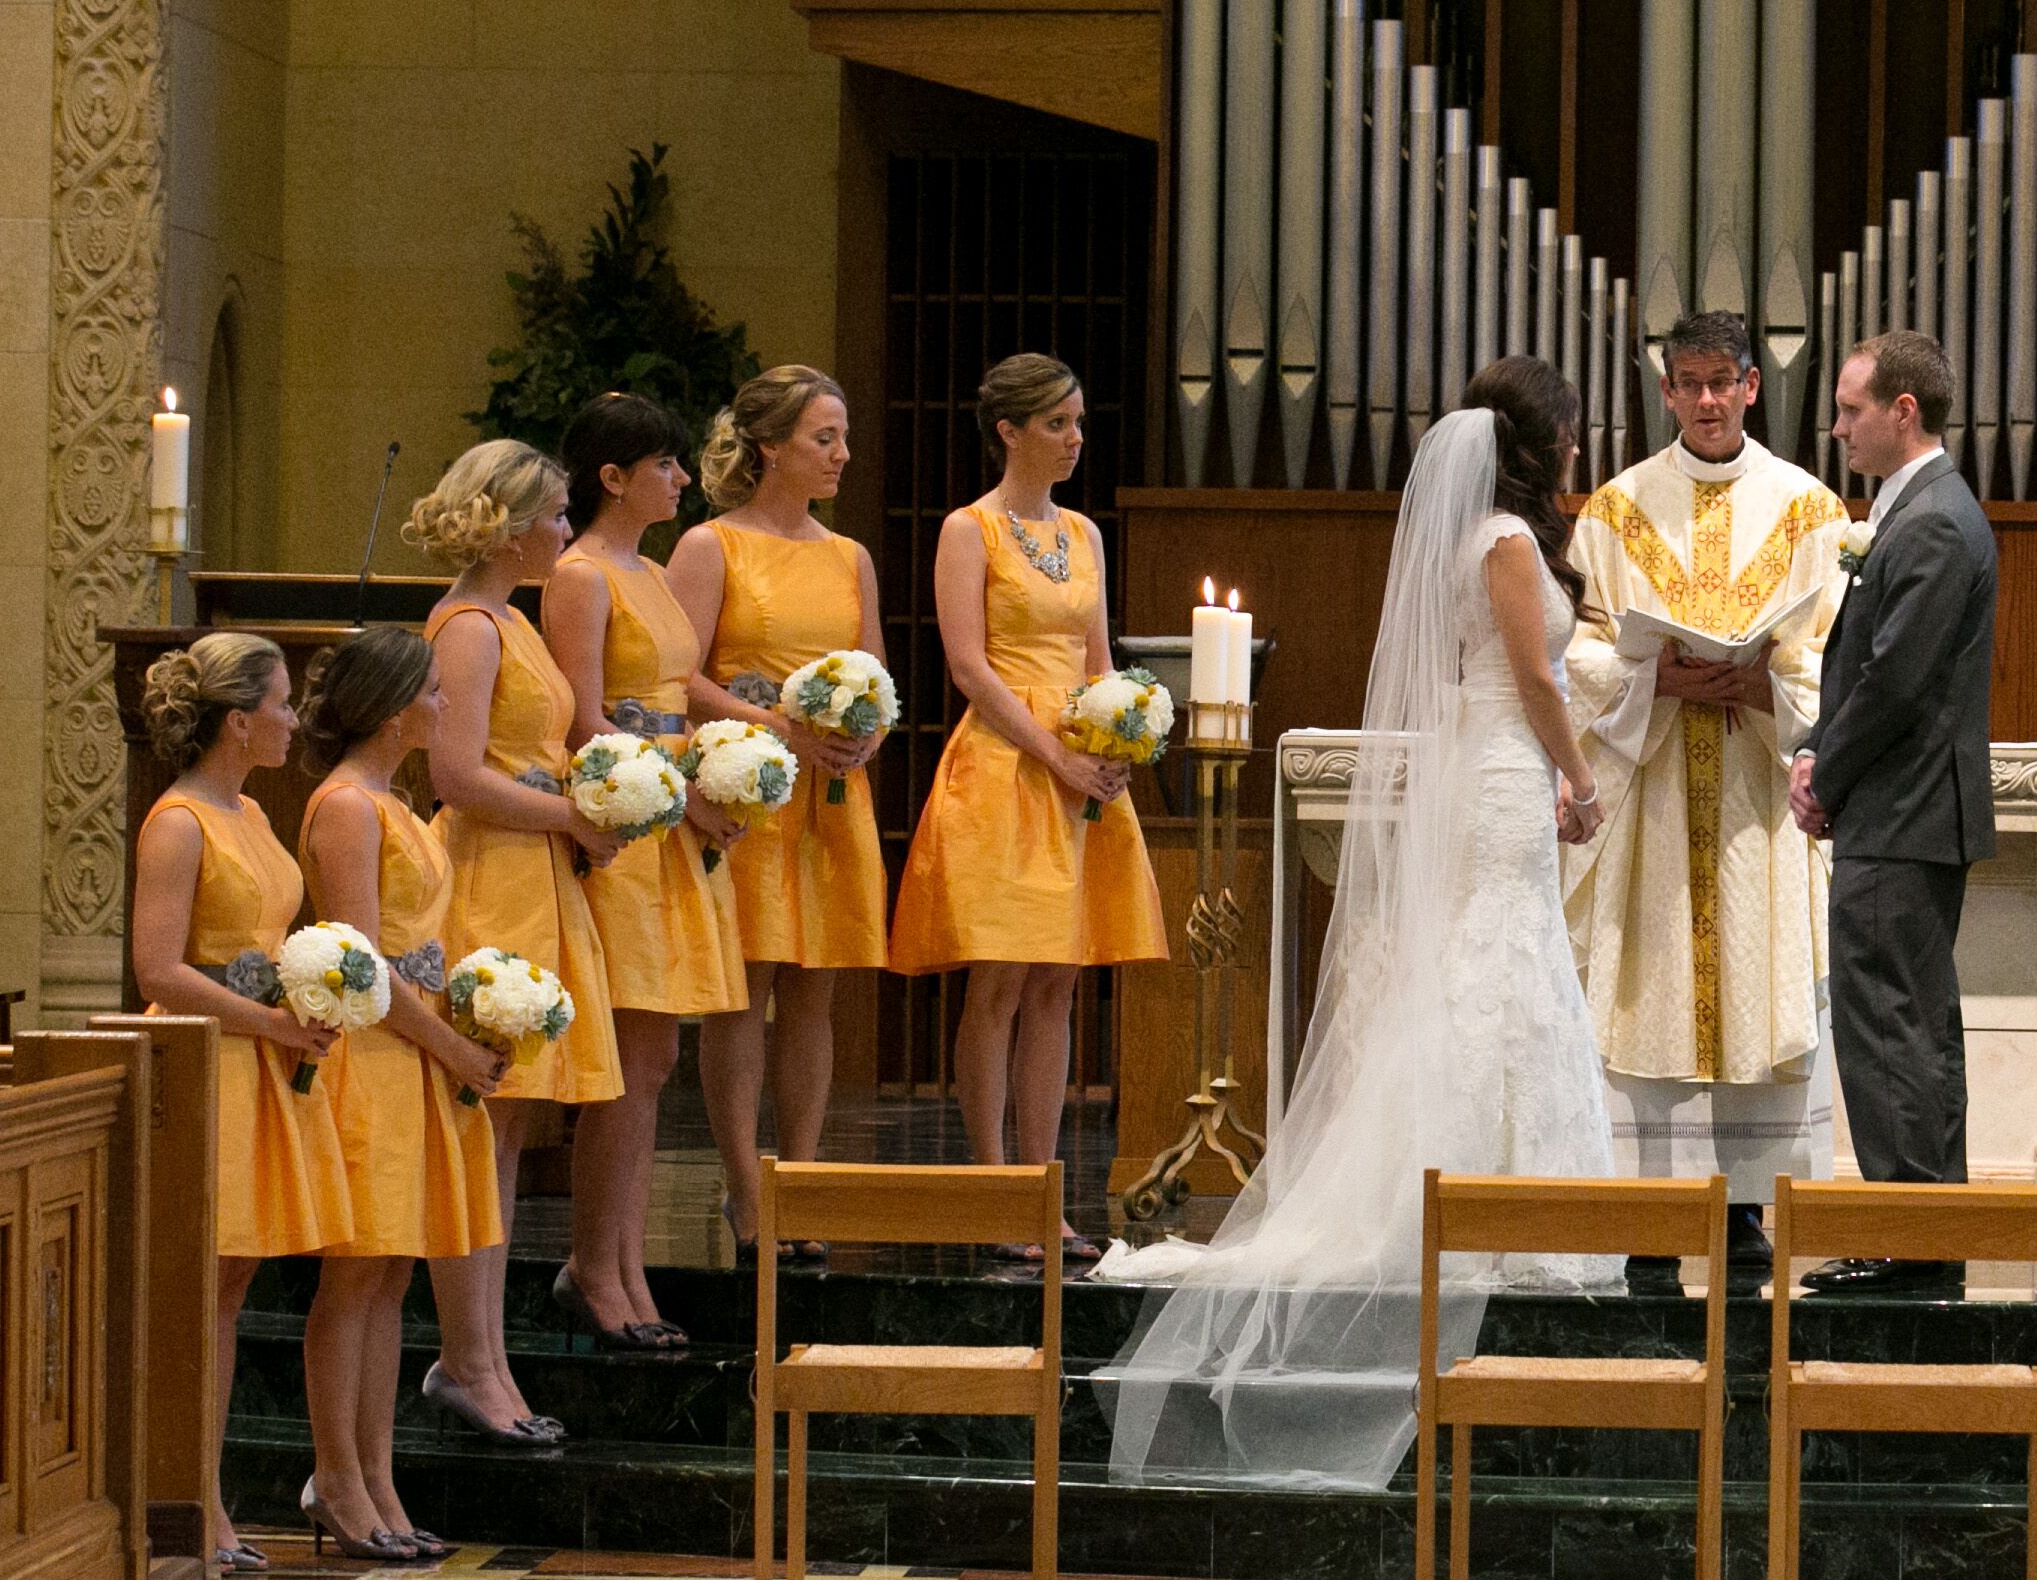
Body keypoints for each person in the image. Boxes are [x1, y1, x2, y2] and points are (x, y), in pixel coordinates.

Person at [1096, 363, 1615, 1486]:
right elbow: (1532, 673)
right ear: (1544, 438)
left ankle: (1483, 1190)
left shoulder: (1472, 541)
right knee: (1505, 961)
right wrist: (1579, 777)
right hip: (1508, 770)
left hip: (1487, 766)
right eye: (1573, 429)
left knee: (1493, 963)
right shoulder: (1511, 545)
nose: (1582, 444)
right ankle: (1494, 1201)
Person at [1563, 310, 1850, 1295]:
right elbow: (1583, 647)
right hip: (1653, 796)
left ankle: (1742, 1216)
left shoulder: (1812, 510)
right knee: (1650, 1002)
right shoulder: (1613, 508)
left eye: (1724, 381)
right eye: (1688, 384)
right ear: (1669, 391)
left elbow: (1828, 648)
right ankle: (1649, 1211)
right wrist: (1664, 682)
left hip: (1755, 795)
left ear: (1752, 386)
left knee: (1751, 999)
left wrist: (1765, 686)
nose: (1708, 400)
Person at [888, 353, 1169, 1259]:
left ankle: (1043, 1196)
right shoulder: (970, 530)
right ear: (1009, 431)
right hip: (1006, 765)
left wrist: (1115, 736)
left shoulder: (1083, 533)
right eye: (1057, 423)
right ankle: (994, 1184)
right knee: (1001, 978)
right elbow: (968, 667)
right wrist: (1053, 753)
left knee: (1059, 981)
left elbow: (1096, 657)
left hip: (1080, 768)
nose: (1076, 438)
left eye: (1079, 421)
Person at [125, 631, 350, 1573]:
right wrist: (269, 1021)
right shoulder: (178, 822)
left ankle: (204, 1497)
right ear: (236, 720)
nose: (294, 719)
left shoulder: (253, 815)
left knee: (229, 1290)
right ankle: (179, 1499)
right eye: (284, 703)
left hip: (261, 1054)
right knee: (193, 1291)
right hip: (207, 1059)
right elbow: (160, 968)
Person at [415, 439, 621, 1448]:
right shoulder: (466, 627)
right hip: (489, 881)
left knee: (504, 1140)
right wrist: (571, 818)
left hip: (532, 876)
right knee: (476, 1135)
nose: (568, 531)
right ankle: (465, 1359)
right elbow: (455, 775)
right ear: (507, 521)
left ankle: (484, 1355)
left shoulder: (514, 621)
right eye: (555, 513)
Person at [295, 626, 514, 1562]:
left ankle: (379, 1475)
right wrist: (451, 1048)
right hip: (370, 1060)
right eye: (432, 691)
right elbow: (365, 964)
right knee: (352, 1279)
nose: (447, 702)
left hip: (416, 1055)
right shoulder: (347, 806)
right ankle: (336, 1477)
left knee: (389, 1278)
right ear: (391, 710)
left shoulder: (398, 802)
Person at [1794, 330, 1996, 1300]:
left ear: (1903, 410)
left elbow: (1896, 684)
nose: (1837, 428)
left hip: (1905, 811)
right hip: (1898, 809)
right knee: (1901, 1023)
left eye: (1850, 409)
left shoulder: (1934, 526)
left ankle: (1912, 1242)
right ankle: (1919, 1234)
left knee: (1893, 1026)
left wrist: (1824, 775)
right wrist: (1815, 752)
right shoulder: (1913, 518)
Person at [544, 391, 747, 1349]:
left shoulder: (654, 569)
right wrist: (680, 792)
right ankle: (598, 1266)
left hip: (674, 814)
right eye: (662, 464)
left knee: (657, 1055)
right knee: (625, 1057)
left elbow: (680, 688)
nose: (681, 476)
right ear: (612, 478)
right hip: (630, 821)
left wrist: (741, 753)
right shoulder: (579, 575)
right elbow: (584, 718)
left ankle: (618, 1260)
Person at [674, 368, 891, 1266]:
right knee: (744, 989)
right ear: (770, 447)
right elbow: (677, 675)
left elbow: (871, 668)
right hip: (749, 780)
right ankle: (744, 1187)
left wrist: (863, 729)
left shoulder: (849, 556)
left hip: (832, 788)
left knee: (817, 987)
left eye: (843, 438)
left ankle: (800, 1177)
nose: (842, 455)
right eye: (823, 438)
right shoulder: (710, 545)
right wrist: (779, 728)